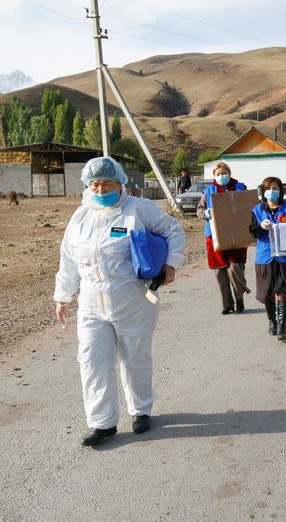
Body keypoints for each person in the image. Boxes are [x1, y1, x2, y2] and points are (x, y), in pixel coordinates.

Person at [54, 157, 185, 446]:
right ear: (88, 186)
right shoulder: (79, 218)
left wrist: (172, 264)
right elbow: (68, 260)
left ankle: (140, 409)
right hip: (91, 304)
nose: (101, 190)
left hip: (133, 300)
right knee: (91, 361)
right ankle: (102, 422)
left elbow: (173, 230)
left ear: (120, 182)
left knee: (135, 358)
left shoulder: (138, 210)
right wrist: (63, 296)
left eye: (107, 183)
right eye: (95, 184)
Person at [250, 176, 286, 341]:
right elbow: (252, 231)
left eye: (276, 189)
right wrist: (260, 227)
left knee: (282, 291)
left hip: (285, 257)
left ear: (281, 191)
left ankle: (282, 328)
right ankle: (272, 321)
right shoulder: (257, 210)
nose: (272, 192)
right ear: (263, 191)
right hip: (265, 256)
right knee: (267, 293)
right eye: (269, 189)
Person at [196, 162, 251, 314]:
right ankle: (227, 305)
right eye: (218, 174)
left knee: (235, 268)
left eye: (224, 172)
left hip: (236, 235)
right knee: (220, 271)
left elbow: (250, 205)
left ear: (229, 173)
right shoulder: (208, 191)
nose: (221, 176)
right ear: (214, 176)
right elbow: (199, 209)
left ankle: (239, 298)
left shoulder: (240, 187)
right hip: (215, 236)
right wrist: (204, 213)